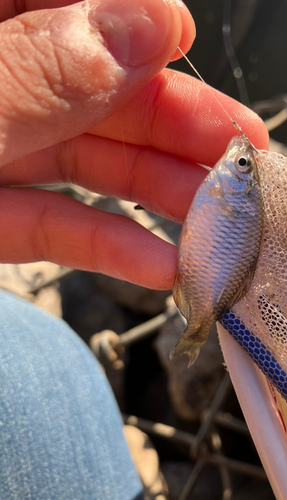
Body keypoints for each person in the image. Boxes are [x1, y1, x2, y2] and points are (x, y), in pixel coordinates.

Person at [0, 0, 268, 498]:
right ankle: (192, 331)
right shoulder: (227, 194)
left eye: (244, 171)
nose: (239, 165)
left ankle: (194, 331)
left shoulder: (230, 197)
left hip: (204, 273)